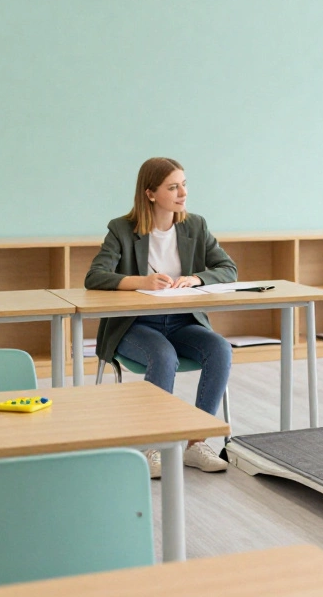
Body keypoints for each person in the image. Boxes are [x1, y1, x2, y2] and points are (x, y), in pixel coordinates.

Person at [85, 157, 237, 478]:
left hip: (182, 322)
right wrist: (141, 282)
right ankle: (152, 446)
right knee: (163, 356)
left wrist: (196, 278)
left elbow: (228, 269)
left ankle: (195, 443)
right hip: (135, 324)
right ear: (150, 193)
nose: (183, 192)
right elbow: (95, 276)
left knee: (220, 349)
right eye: (173, 187)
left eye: (184, 184)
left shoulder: (195, 225)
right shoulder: (122, 229)